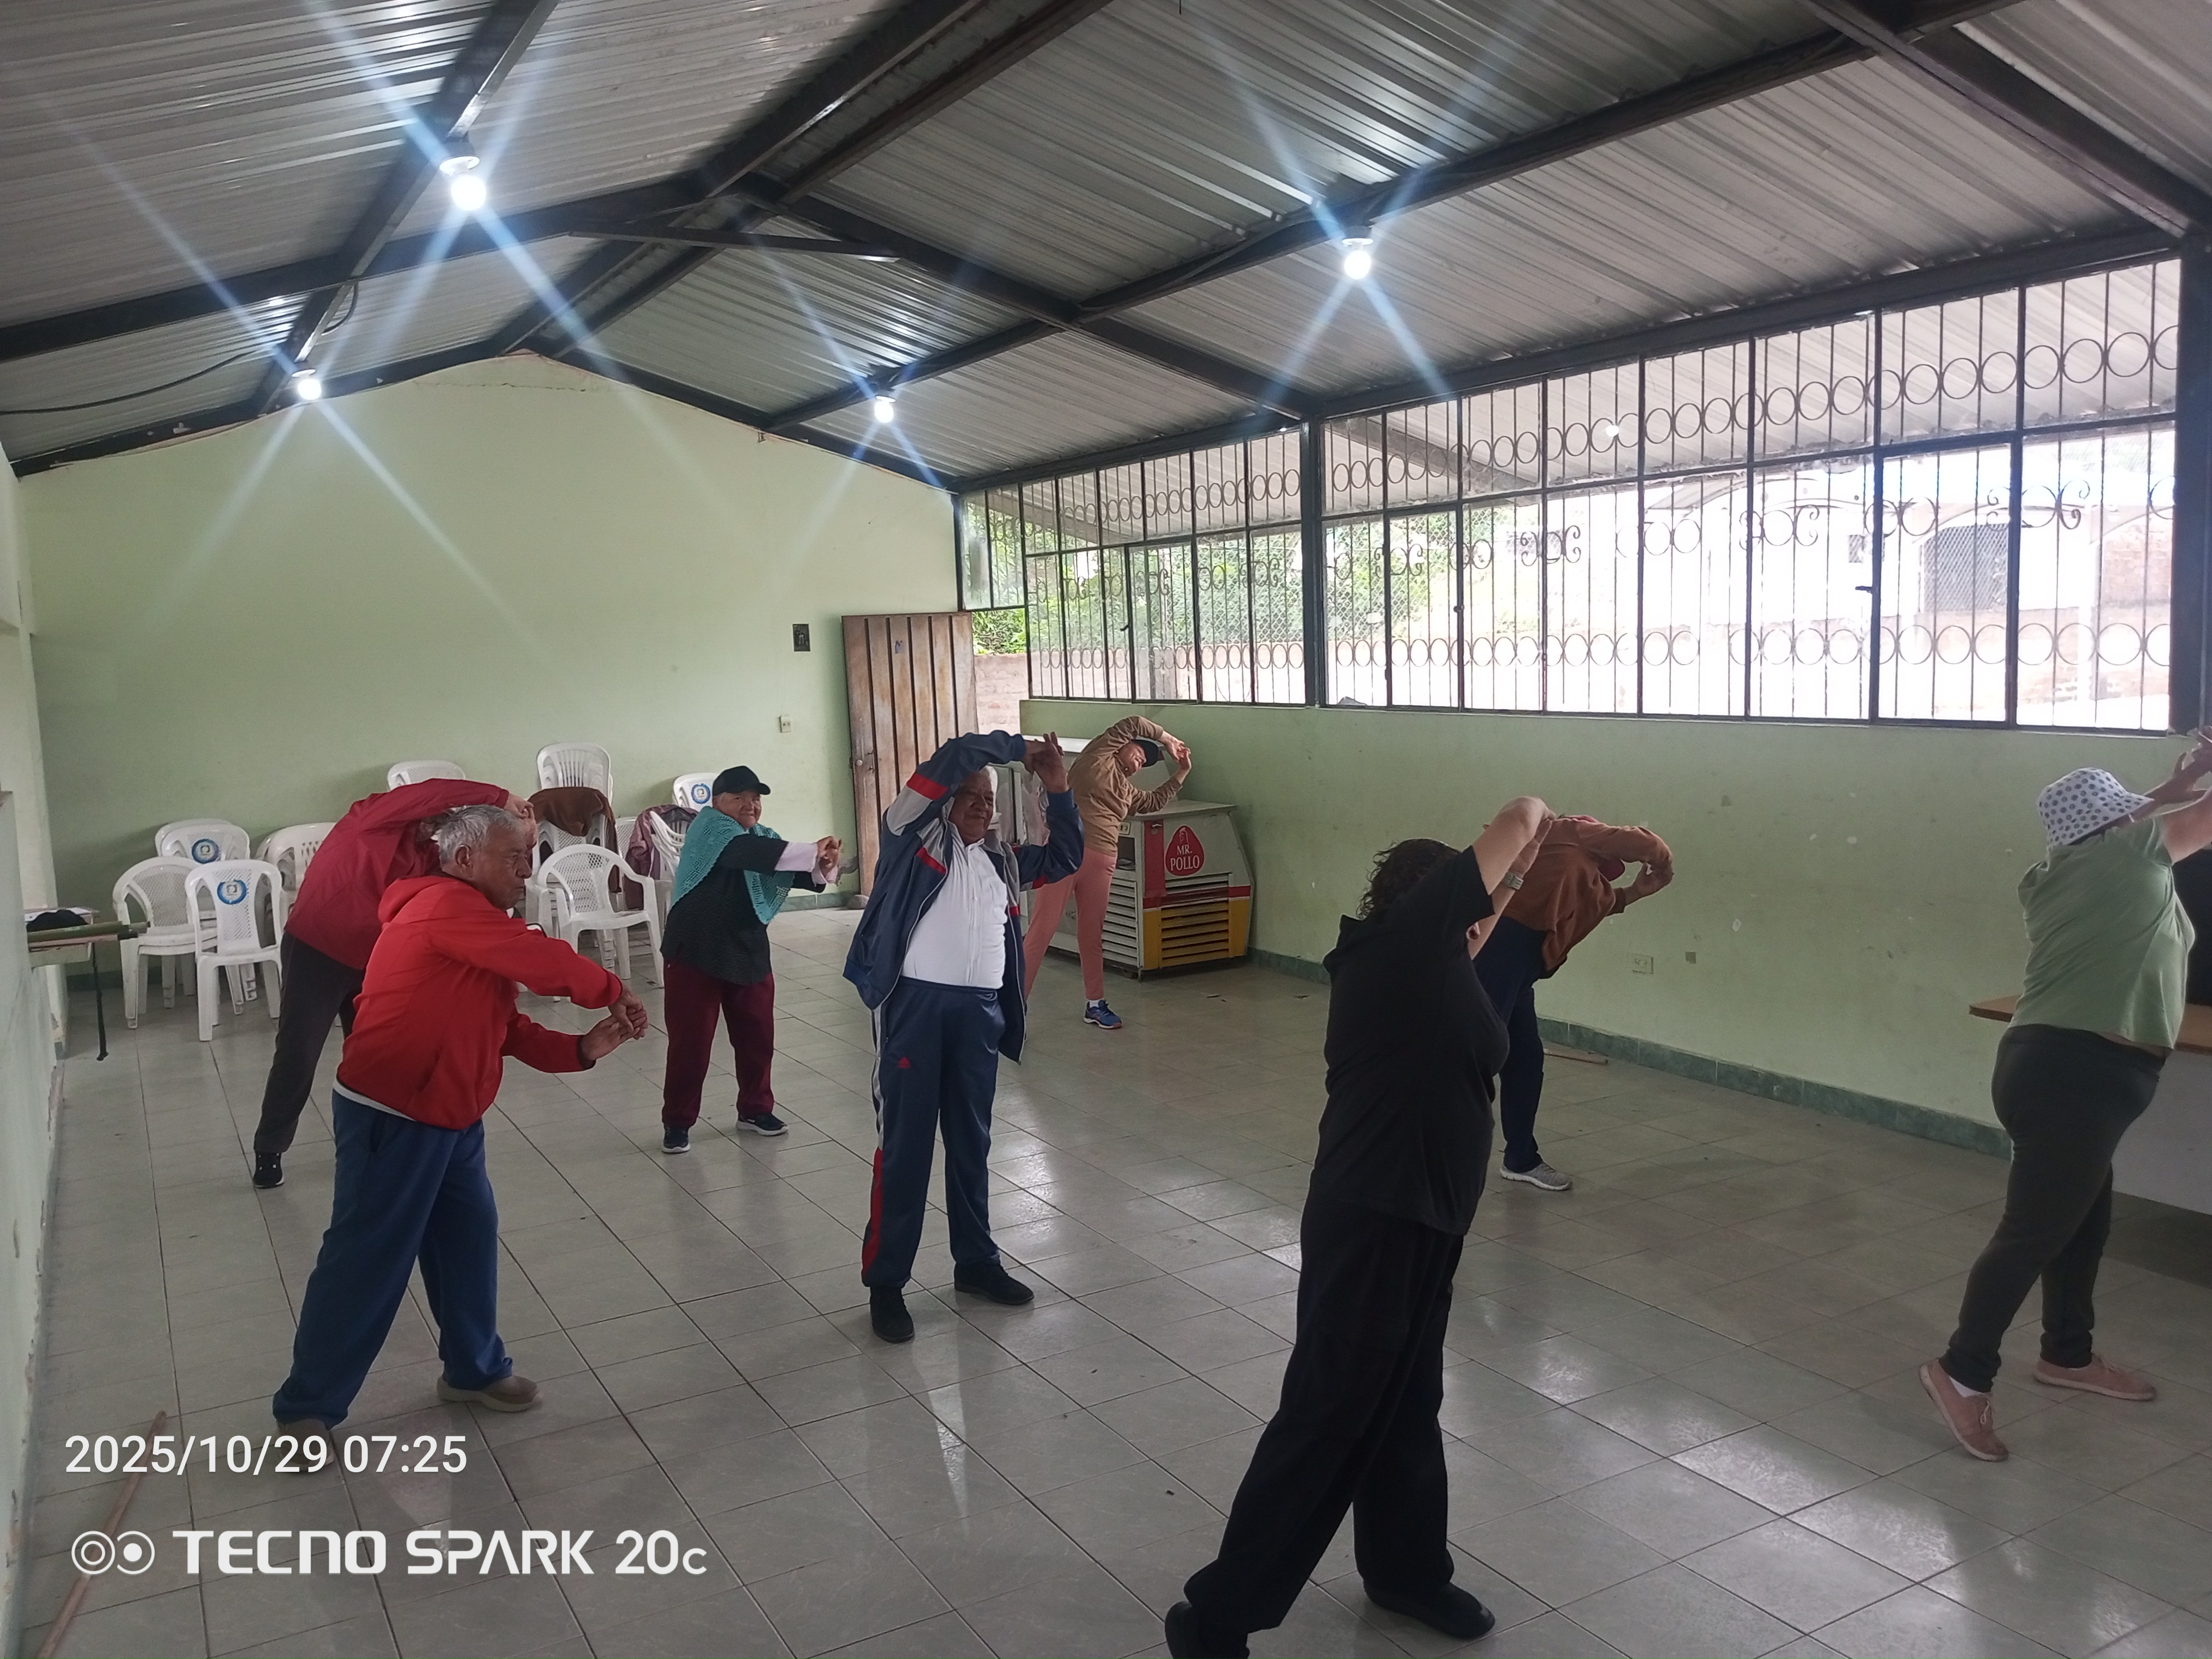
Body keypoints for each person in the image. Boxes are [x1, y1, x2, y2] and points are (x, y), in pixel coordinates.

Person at [1166, 797, 1552, 1659]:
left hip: (1427, 1221)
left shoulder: (1439, 961)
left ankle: (1406, 1571)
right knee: (1328, 1414)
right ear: (1432, 903)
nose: (1483, 917)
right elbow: (1516, 817)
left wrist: (1523, 877)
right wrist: (1536, 820)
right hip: (1374, 1220)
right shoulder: (1398, 950)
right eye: (1476, 902)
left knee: (1409, 1403)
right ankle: (1217, 1613)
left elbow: (1487, 919)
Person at [271, 806, 647, 1444]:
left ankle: (473, 1370)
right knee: (367, 1259)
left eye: (528, 858)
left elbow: (505, 1026)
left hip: (452, 1113)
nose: (525, 872)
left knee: (465, 1242)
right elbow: (540, 960)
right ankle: (306, 1406)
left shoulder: (475, 923)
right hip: (395, 1111)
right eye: (514, 857)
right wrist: (611, 987)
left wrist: (580, 1050)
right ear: (465, 859)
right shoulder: (443, 905)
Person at [1922, 741, 2212, 1461]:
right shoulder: (2129, 856)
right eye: (2126, 813)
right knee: (2032, 1232)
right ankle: (1961, 1373)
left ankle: (2067, 1354)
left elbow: (2126, 822)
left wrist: (2175, 781)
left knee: (2080, 1224)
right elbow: (2193, 821)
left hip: (2053, 1065)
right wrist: (2190, 785)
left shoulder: (2055, 871)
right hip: (2077, 1075)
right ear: (2115, 824)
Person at [845, 732, 1082, 1343]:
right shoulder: (910, 836)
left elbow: (1065, 857)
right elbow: (953, 756)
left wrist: (1058, 789)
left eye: (989, 798)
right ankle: (886, 1283)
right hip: (914, 1010)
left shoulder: (1000, 859)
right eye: (970, 795)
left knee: (972, 1143)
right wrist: (1015, 748)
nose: (981, 805)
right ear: (944, 800)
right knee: (906, 1148)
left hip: (979, 1016)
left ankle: (976, 1263)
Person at [248, 775, 532, 1189]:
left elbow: (479, 888)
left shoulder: (431, 859)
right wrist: (503, 797)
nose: (432, 821)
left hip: (374, 962)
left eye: (440, 819)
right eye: (429, 813)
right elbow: (428, 792)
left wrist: (522, 839)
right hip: (316, 951)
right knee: (299, 1052)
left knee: (377, 1058)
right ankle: (270, 1148)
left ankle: (375, 1143)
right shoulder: (369, 821)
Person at [1473, 815, 1673, 1191]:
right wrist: (1663, 861)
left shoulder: (1588, 884)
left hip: (1522, 966)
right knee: (1473, 1056)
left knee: (1525, 1059)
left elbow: (1607, 903)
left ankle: (1520, 1158)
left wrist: (1639, 891)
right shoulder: (1570, 831)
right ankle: (1428, 1149)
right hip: (1500, 947)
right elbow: (1643, 842)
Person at [660, 765, 841, 1152]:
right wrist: (810, 850)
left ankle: (756, 1110)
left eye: (756, 799)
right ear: (717, 802)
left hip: (746, 947)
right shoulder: (710, 829)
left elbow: (786, 869)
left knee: (757, 1037)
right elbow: (748, 855)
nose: (750, 805)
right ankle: (677, 1121)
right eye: (739, 798)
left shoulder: (762, 837)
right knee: (691, 1044)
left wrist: (821, 865)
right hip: (695, 950)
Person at [1021, 714, 1190, 1029]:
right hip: (1064, 856)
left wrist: (1182, 772)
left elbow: (1154, 801)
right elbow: (1133, 722)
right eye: (1139, 751)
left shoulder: (1128, 792)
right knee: (1042, 930)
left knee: (1091, 934)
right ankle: (1015, 1008)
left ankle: (1095, 1004)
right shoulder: (1097, 757)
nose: (1140, 761)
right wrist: (1167, 740)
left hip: (1102, 862)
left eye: (1145, 763)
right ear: (1123, 745)